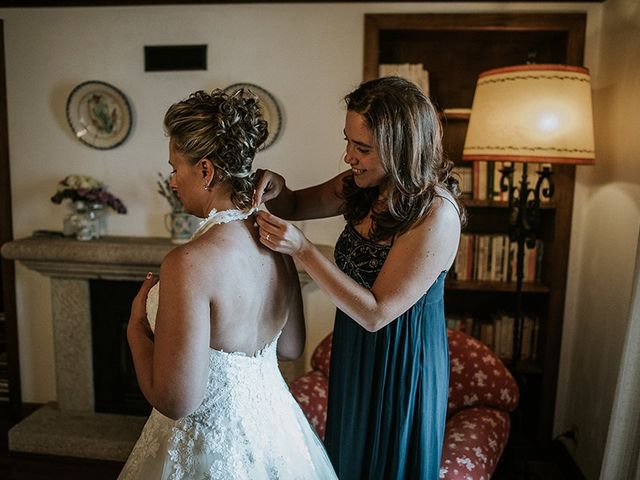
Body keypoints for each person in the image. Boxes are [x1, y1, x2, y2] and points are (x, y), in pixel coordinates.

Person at [253, 76, 464, 479]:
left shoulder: (436, 214)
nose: (348, 156)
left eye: (362, 148)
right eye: (348, 141)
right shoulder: (362, 186)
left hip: (402, 363)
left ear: (401, 149)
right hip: (355, 350)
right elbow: (295, 203)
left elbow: (376, 313)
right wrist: (275, 185)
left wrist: (304, 251)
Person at [119, 89, 337, 479]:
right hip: (274, 434)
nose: (172, 181)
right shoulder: (278, 241)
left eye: (175, 168)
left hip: (208, 448)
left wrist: (136, 330)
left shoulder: (188, 262)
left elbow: (176, 401)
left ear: (205, 171)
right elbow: (290, 348)